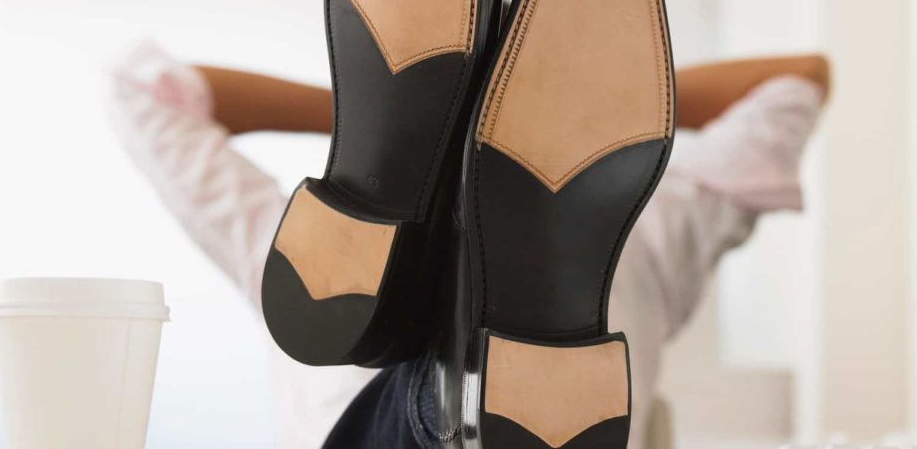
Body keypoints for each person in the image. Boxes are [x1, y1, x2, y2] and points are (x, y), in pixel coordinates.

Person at [106, 40, 829, 448]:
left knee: (352, 335)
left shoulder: (292, 245)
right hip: (588, 253)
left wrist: (402, 117)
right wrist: (546, 115)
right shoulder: (650, 223)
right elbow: (796, 82)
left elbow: (139, 90)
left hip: (349, 286)